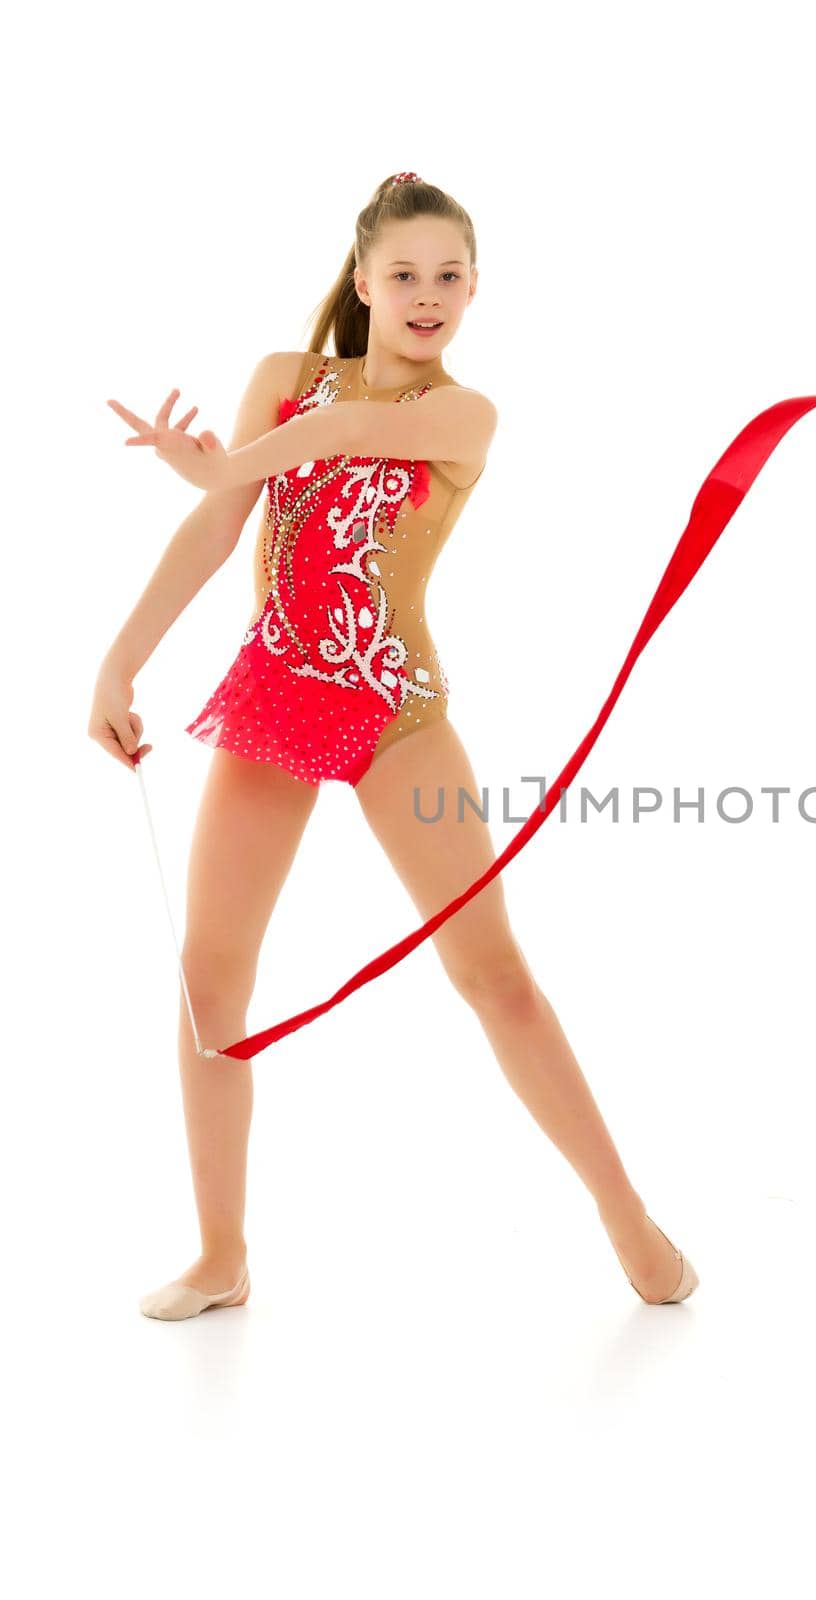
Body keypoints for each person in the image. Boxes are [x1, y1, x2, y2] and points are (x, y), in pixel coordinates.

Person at [92, 172, 697, 1320]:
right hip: (275, 697)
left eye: (449, 277)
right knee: (210, 973)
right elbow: (218, 527)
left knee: (490, 971)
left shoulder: (463, 416)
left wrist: (228, 461)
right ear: (362, 278)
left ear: (474, 292)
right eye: (405, 274)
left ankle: (628, 1219)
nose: (427, 296)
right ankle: (221, 1254)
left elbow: (356, 429)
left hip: (394, 715)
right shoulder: (283, 377)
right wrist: (119, 663)